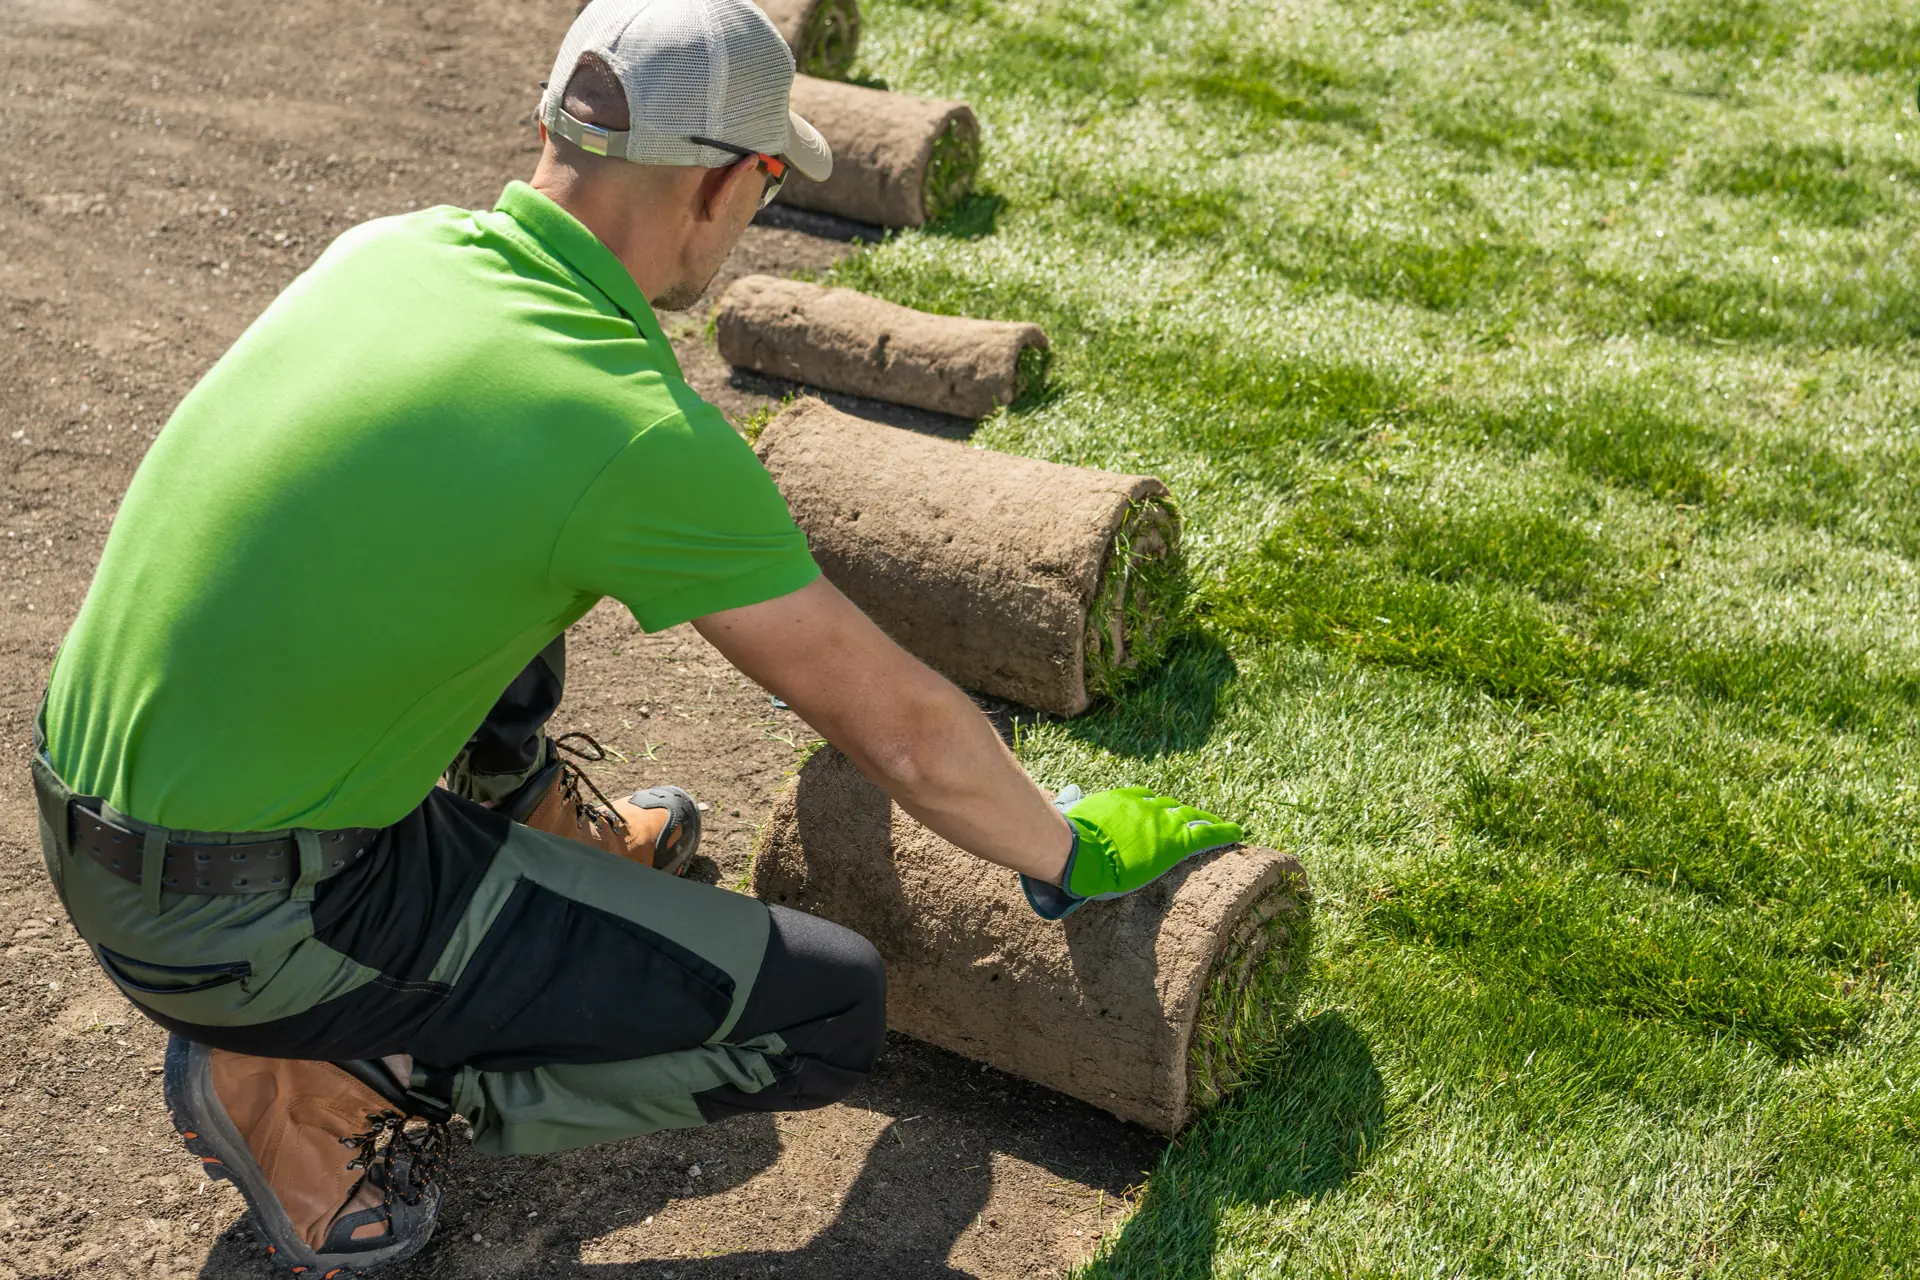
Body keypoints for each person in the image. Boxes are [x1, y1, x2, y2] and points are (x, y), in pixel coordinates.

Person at [28, 0, 1244, 1273]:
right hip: (249, 918)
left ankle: (521, 821)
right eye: (769, 184)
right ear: (730, 181)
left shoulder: (391, 250)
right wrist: (1062, 846)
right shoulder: (632, 429)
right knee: (826, 1009)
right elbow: (896, 729)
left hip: (96, 801)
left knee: (493, 553)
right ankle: (339, 1077)